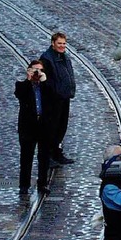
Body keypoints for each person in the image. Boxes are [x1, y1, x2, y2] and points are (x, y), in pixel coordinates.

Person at [15, 60, 55, 195]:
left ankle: (42, 183)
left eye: (40, 70)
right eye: (35, 70)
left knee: (44, 157)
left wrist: (44, 82)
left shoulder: (47, 85)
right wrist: (28, 79)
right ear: (29, 70)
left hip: (44, 126)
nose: (38, 73)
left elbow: (53, 97)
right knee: (26, 157)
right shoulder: (22, 85)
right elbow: (20, 95)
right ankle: (24, 185)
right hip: (28, 126)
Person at [40, 32, 76, 166]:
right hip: (53, 99)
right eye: (59, 43)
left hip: (64, 97)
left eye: (64, 44)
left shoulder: (64, 56)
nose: (62, 46)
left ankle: (57, 153)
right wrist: (55, 92)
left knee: (61, 127)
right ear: (53, 43)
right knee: (51, 128)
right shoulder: (46, 58)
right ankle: (48, 156)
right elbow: (45, 80)